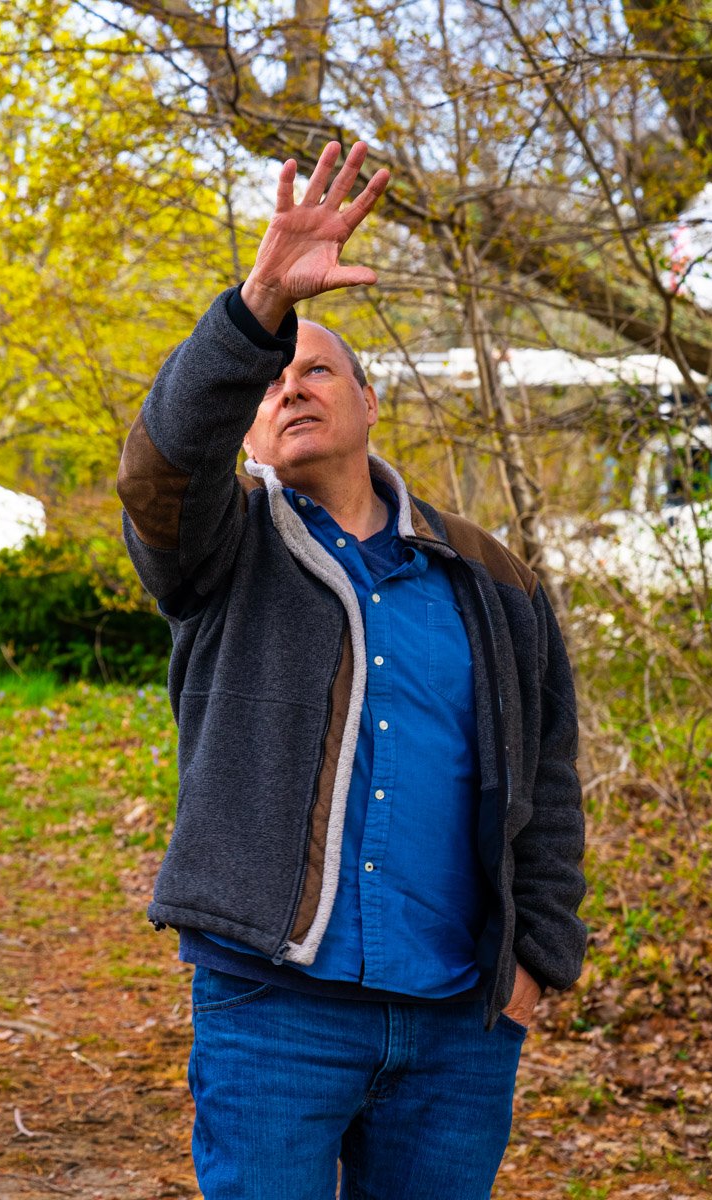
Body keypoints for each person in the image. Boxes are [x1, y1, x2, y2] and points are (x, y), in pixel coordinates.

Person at [115, 141, 587, 1198]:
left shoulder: (492, 578)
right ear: (248, 422)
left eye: (316, 368)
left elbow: (549, 779)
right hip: (274, 1013)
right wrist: (261, 304)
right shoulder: (222, 547)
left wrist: (536, 961)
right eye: (271, 381)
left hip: (459, 1023)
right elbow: (159, 471)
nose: (290, 388)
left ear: (371, 405)